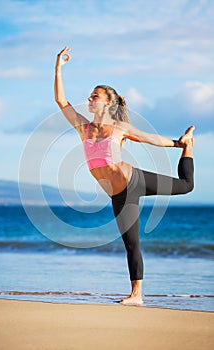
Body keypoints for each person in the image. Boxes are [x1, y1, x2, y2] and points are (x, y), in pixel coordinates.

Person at [54, 47, 194, 305]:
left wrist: (178, 143)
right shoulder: (82, 128)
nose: (90, 98)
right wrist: (58, 68)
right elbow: (61, 102)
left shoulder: (120, 128)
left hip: (135, 181)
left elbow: (152, 140)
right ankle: (136, 295)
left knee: (186, 186)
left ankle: (190, 147)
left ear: (107, 102)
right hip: (118, 194)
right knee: (131, 243)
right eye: (90, 95)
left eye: (95, 95)